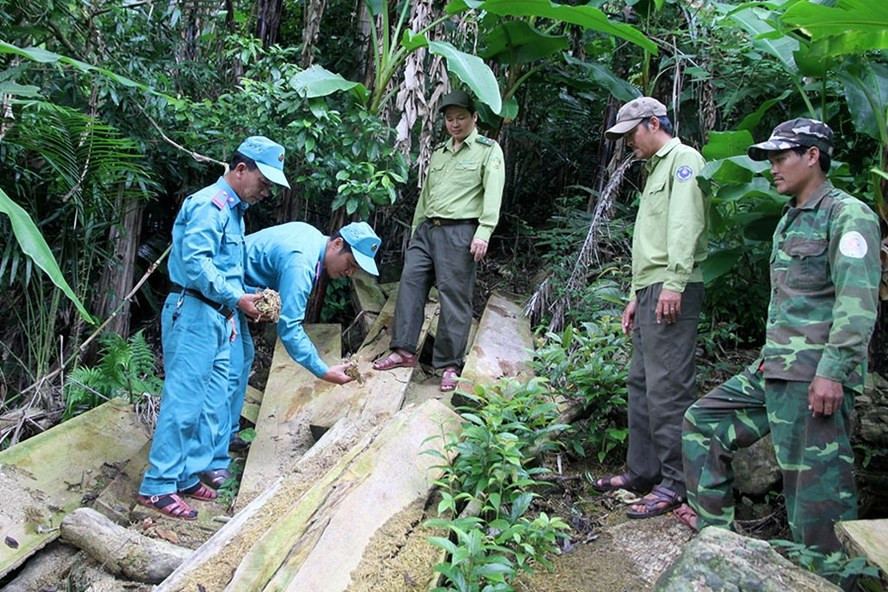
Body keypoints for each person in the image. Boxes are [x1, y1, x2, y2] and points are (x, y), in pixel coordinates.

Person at [679, 118, 880, 554]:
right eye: (769, 159)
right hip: (775, 369)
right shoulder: (790, 218)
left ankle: (827, 575)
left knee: (815, 495)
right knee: (703, 422)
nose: (772, 167)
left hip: (814, 378)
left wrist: (832, 373)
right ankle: (719, 542)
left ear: (813, 156)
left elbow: (858, 304)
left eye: (781, 157)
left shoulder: (848, 215)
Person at [138, 136, 290, 520]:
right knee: (184, 401)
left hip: (220, 317)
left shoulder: (235, 212)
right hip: (193, 311)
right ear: (240, 169)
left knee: (212, 402)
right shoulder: (210, 205)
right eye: (264, 182)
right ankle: (158, 485)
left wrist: (239, 307)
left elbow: (227, 271)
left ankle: (187, 474)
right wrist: (237, 299)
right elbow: (196, 265)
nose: (266, 192)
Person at [591, 97, 708, 519]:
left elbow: (685, 226)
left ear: (654, 123)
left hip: (672, 287)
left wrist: (674, 284)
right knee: (641, 383)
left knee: (668, 386)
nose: (628, 144)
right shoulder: (656, 168)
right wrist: (635, 296)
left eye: (632, 134)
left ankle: (676, 483)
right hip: (650, 289)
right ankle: (643, 471)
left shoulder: (684, 160)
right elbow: (651, 241)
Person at [215, 221, 382, 470]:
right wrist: (323, 371)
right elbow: (289, 329)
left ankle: (227, 435)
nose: (349, 273)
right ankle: (213, 455)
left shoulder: (312, 237)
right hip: (220, 290)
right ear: (337, 244)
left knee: (244, 357)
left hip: (235, 288)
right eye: (351, 264)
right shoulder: (302, 262)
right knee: (231, 368)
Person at [372, 89, 505, 392]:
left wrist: (484, 231)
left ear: (474, 117)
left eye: (461, 118)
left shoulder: (488, 150)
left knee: (454, 297)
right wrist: (416, 229)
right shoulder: (440, 152)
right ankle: (403, 350)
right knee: (410, 284)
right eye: (449, 119)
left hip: (460, 231)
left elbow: (493, 192)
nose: (454, 124)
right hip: (427, 229)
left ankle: (449, 365)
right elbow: (427, 195)